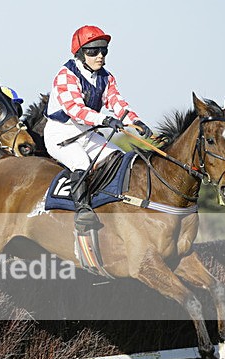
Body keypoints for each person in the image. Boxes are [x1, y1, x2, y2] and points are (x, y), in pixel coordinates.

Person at [43, 25, 152, 229]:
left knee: (120, 158)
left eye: (104, 50)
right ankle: (82, 211)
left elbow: (116, 102)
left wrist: (135, 121)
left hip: (87, 134)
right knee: (81, 163)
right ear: (80, 53)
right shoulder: (65, 75)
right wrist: (105, 120)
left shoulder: (106, 77)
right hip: (61, 135)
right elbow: (75, 109)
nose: (100, 55)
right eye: (93, 51)